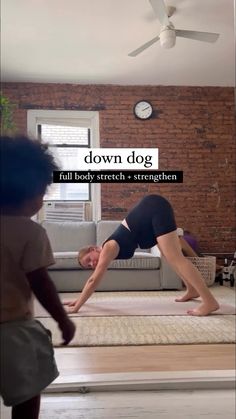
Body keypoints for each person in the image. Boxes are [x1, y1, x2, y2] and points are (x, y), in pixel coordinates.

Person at [0, 135, 76, 419]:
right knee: (28, 394)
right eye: (43, 191)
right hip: (13, 332)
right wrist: (62, 319)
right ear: (29, 191)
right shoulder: (30, 232)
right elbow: (41, 282)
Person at [64, 194, 219, 316]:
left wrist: (78, 306)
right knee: (168, 255)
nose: (92, 264)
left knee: (176, 258)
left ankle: (209, 301)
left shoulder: (108, 248)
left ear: (93, 249)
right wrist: (78, 299)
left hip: (154, 208)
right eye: (88, 266)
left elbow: (93, 280)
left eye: (89, 260)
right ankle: (192, 290)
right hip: (149, 221)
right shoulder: (108, 247)